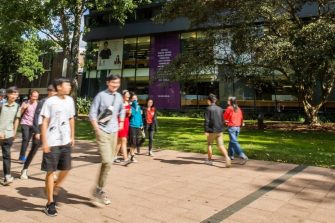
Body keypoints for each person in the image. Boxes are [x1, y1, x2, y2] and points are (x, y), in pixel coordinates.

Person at [40, 78, 75, 216]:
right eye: (67, 85)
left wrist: (72, 136)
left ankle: (54, 187)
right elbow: (44, 122)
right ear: (59, 87)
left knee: (66, 168)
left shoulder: (70, 101)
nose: (69, 87)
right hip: (52, 142)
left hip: (65, 141)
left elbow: (71, 118)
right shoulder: (50, 102)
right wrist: (45, 142)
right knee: (50, 171)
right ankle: (49, 203)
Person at [89, 74, 125, 207]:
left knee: (108, 164)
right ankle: (99, 190)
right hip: (102, 131)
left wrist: (121, 122)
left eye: (118, 83)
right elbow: (92, 114)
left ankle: (99, 190)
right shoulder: (100, 96)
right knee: (107, 161)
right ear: (107, 82)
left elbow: (121, 110)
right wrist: (97, 129)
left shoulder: (119, 96)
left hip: (114, 132)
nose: (115, 85)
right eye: (113, 83)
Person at [20, 85, 57, 180]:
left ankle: (51, 172)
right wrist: (37, 131)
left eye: (54, 91)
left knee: (52, 153)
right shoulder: (42, 102)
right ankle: (24, 169)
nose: (53, 93)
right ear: (49, 92)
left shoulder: (57, 102)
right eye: (52, 91)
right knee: (33, 150)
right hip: (40, 131)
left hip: (51, 132)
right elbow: (36, 117)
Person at [0, 87, 21, 185]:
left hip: (8, 134)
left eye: (16, 94)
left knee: (6, 156)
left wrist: (14, 131)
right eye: (12, 93)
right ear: (8, 94)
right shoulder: (1, 105)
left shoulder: (17, 106)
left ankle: (7, 175)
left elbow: (16, 119)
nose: (14, 96)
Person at [204, 93, 231, 167]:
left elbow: (207, 120)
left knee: (209, 144)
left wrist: (206, 130)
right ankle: (227, 158)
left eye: (207, 100)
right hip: (219, 130)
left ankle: (209, 160)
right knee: (221, 145)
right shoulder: (220, 108)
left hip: (211, 130)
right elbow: (222, 120)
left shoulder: (208, 109)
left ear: (209, 100)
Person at [223, 96, 248, 163]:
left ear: (231, 101)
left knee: (234, 141)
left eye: (228, 100)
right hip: (238, 127)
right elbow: (241, 117)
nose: (227, 101)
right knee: (232, 141)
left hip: (232, 127)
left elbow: (224, 117)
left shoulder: (229, 108)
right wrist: (241, 123)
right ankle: (231, 155)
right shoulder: (238, 108)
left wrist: (226, 121)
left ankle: (241, 154)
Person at [18, 90, 39, 162]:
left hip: (33, 125)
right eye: (33, 96)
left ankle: (21, 155)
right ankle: (22, 156)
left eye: (36, 96)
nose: (35, 98)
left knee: (27, 140)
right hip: (25, 123)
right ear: (30, 96)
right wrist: (23, 108)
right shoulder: (25, 103)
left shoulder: (38, 104)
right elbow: (19, 113)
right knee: (25, 139)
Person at [115, 90, 131, 163]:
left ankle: (113, 156)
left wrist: (130, 113)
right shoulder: (119, 103)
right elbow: (116, 112)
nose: (128, 96)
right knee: (123, 139)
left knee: (119, 141)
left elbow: (129, 114)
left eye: (129, 95)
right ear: (123, 95)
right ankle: (125, 158)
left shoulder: (128, 103)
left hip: (126, 122)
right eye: (127, 95)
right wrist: (125, 111)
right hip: (120, 121)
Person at [129, 92, 144, 162]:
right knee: (133, 142)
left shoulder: (139, 107)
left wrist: (141, 124)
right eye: (133, 98)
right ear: (131, 100)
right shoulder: (131, 107)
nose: (135, 99)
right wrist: (134, 105)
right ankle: (132, 156)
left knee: (137, 142)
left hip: (138, 126)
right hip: (132, 125)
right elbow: (132, 114)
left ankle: (131, 153)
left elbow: (140, 117)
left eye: (136, 98)